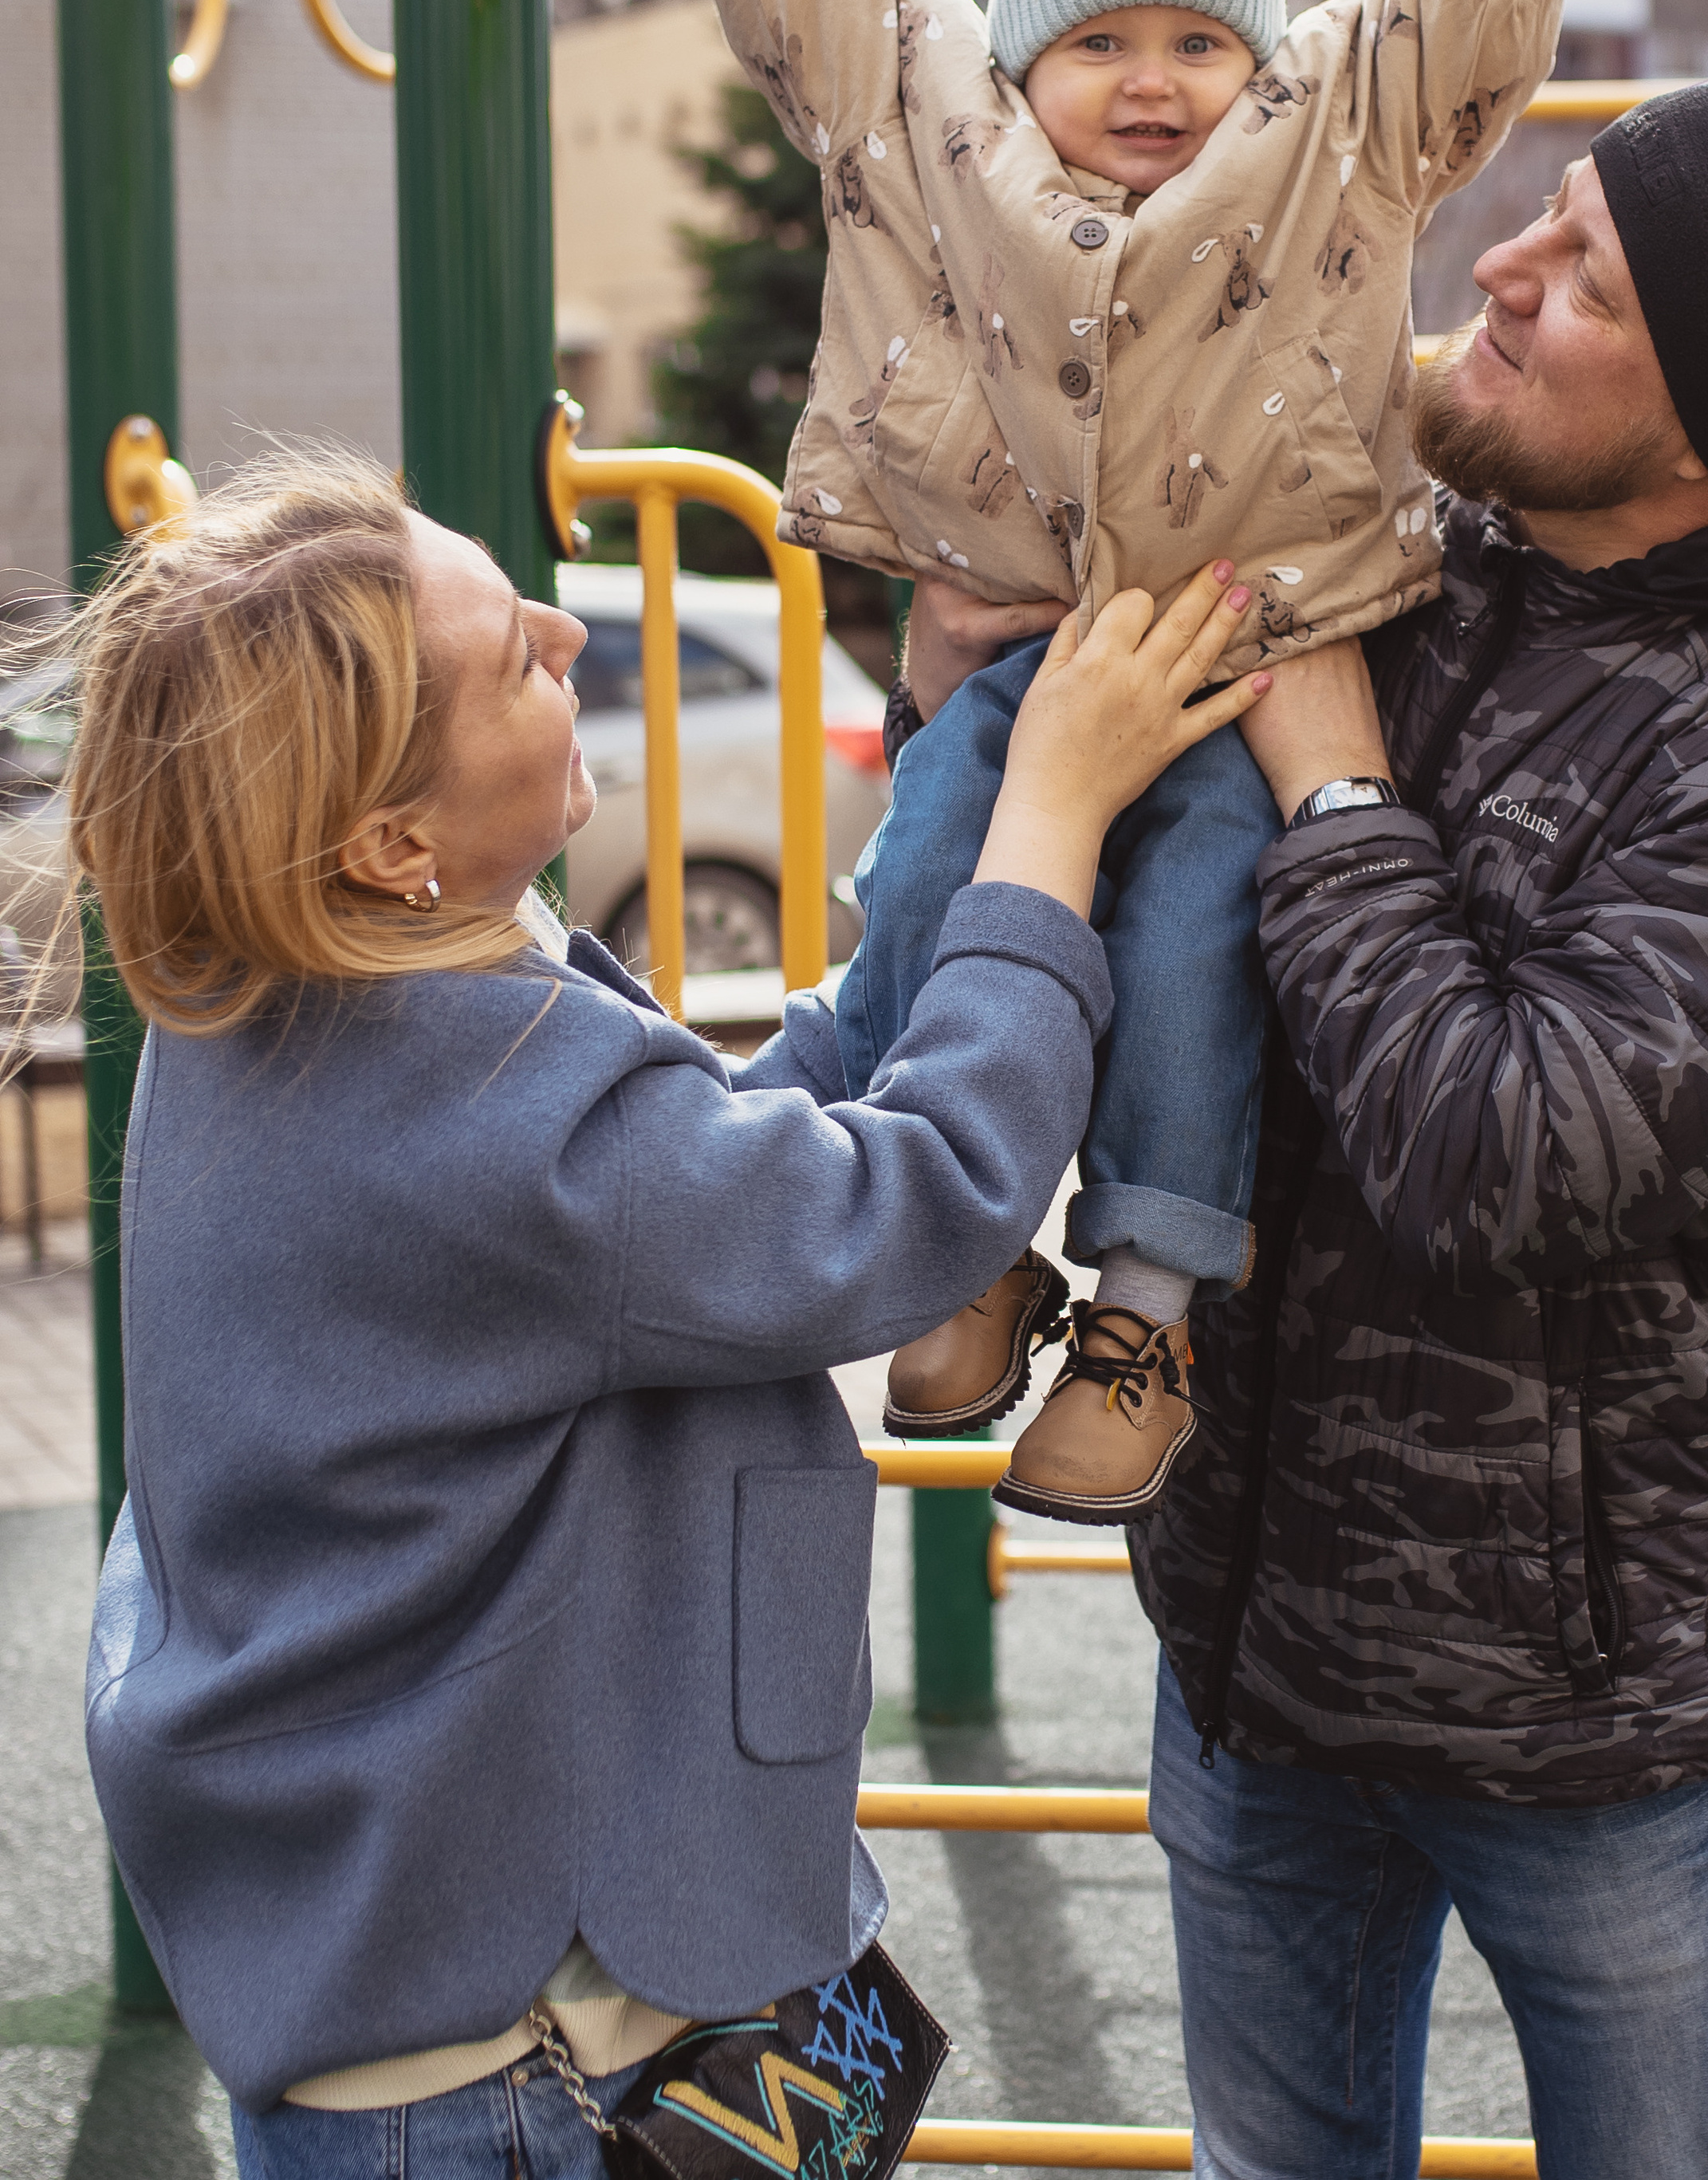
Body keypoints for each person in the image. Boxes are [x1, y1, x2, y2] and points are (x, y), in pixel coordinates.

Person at [65, 446, 1269, 2178]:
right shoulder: (475, 1118)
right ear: (393, 835)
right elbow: (902, 1198)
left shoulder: (281, 1009)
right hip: (526, 2072)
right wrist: (1048, 822)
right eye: (515, 663)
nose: (567, 626)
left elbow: (702, 1183)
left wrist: (949, 747)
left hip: (439, 1988)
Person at [1112, 81, 1708, 2180]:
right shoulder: (1420, 552)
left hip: (1596, 1721)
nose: (1497, 268)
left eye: (1584, 275)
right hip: (1258, 1637)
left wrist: (1331, 793)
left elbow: (1498, 1161)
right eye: (1543, 218)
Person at [638, 0, 1588, 1522]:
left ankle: (1142, 1314)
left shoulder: (1319, 142)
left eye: (1193, 42)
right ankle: (966, 1227)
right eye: (1099, 45)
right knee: (921, 872)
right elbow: (827, 12)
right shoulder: (951, 142)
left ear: (1254, 58)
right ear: (1017, 62)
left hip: (1248, 666)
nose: (1152, 81)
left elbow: (1444, 31)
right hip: (1032, 655)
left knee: (1181, 943)